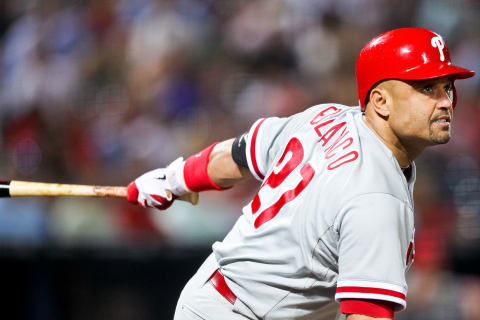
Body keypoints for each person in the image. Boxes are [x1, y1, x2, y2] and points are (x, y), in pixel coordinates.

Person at [126, 28, 474, 320]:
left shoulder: (325, 117)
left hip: (215, 299)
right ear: (381, 101)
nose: (445, 101)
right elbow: (366, 314)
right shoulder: (377, 196)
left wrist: (175, 178)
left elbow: (237, 155)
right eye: (427, 88)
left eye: (447, 87)